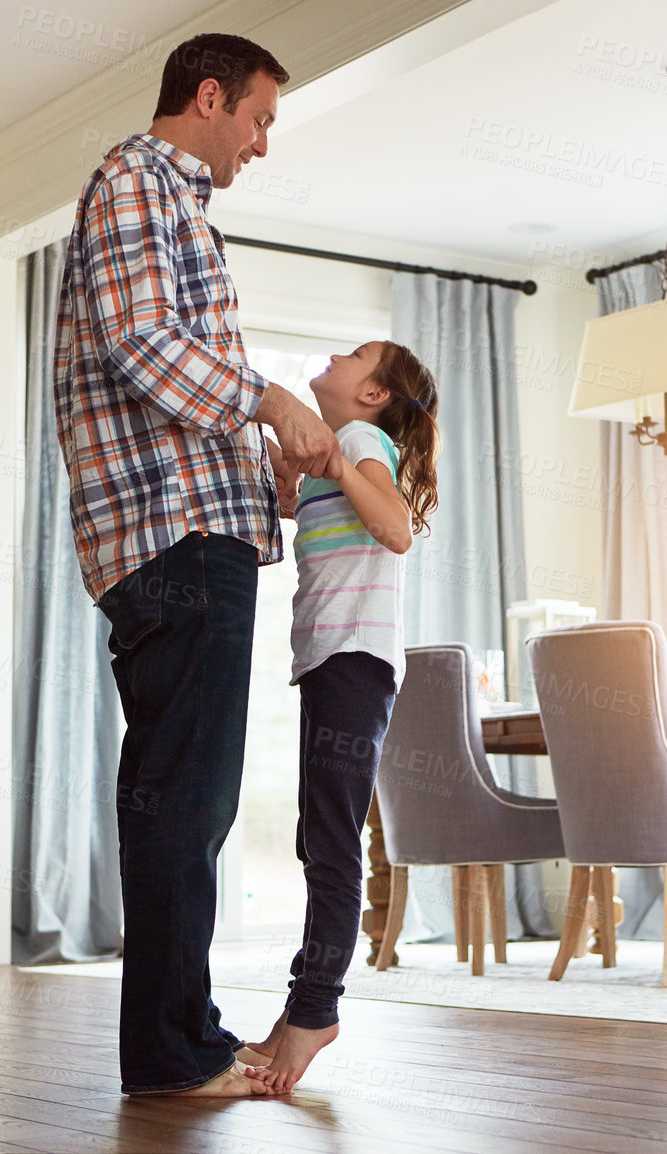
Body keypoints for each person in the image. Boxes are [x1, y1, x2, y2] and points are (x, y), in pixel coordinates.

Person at [53, 33, 341, 1099]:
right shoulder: (138, 177)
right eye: (259, 118)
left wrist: (262, 454)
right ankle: (177, 1052)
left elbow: (167, 366)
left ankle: (170, 1043)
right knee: (184, 802)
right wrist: (268, 399)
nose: (261, 144)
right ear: (209, 97)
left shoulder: (173, 205)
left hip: (186, 536)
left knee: (180, 798)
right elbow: (138, 339)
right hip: (174, 544)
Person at [241, 340, 441, 1094]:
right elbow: (306, 511)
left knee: (330, 844)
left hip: (353, 660)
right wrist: (295, 473)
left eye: (354, 355)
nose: (333, 353)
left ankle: (315, 1012)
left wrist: (344, 467)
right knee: (318, 835)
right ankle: (299, 1010)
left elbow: (395, 529)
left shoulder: (364, 442)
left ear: (374, 396)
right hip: (336, 663)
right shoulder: (351, 450)